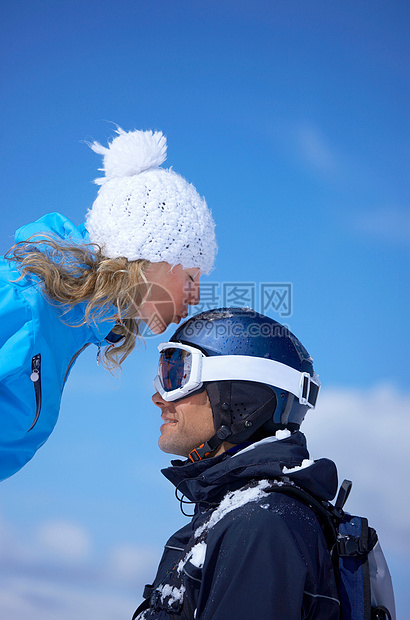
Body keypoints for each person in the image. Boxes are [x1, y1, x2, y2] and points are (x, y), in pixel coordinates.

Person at [133, 307, 395, 620]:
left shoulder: (260, 526)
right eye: (165, 371)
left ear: (240, 399)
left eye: (177, 375)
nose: (159, 397)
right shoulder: (237, 515)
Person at [0, 127, 217, 481]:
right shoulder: (20, 300)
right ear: (152, 260)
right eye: (191, 279)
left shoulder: (72, 324)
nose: (194, 298)